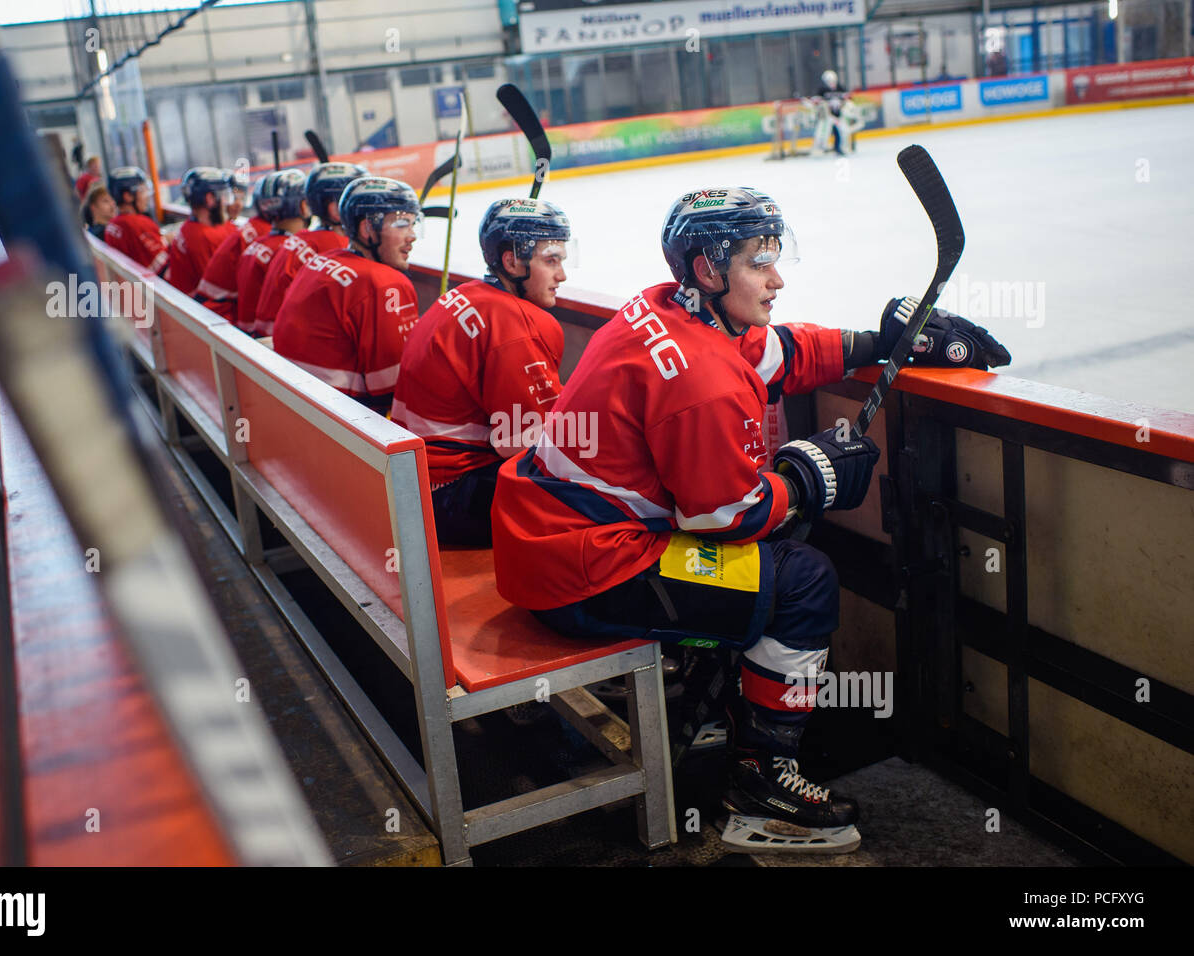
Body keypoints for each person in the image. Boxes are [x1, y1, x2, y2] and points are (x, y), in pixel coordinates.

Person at [490, 187, 1010, 852]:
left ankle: (728, 710)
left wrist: (877, 341)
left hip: (548, 539)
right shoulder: (699, 378)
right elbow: (723, 517)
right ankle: (760, 780)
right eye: (759, 261)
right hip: (587, 572)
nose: (777, 277)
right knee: (803, 580)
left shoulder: (665, 308)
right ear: (708, 269)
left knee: (765, 570)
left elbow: (780, 352)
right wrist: (810, 475)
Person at [392, 198, 572, 546]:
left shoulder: (463, 295)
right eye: (551, 261)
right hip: (447, 498)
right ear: (511, 261)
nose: (561, 275)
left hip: (415, 483)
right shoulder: (516, 325)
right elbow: (526, 444)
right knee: (594, 489)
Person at [273, 176, 420, 414]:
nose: (412, 236)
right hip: (341, 421)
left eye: (413, 224)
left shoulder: (319, 261)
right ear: (367, 228)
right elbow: (394, 391)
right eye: (401, 224)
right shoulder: (385, 284)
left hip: (294, 405)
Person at [252, 161, 366, 334]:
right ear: (335, 209)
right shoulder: (337, 246)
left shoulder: (300, 238)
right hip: (282, 344)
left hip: (266, 337)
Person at [234, 169, 308, 336]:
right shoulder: (292, 250)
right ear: (303, 206)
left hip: (246, 336)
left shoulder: (256, 244)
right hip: (268, 343)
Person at [195, 175, 273, 321]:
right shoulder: (215, 232)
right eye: (233, 197)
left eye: (242, 199)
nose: (238, 204)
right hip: (215, 316)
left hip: (209, 312)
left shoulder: (233, 228)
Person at [166, 166, 237, 296]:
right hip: (202, 310)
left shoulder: (189, 228)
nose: (226, 203)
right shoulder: (204, 238)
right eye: (224, 196)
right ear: (210, 199)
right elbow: (223, 288)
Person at [103, 166, 168, 276]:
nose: (146, 196)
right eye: (142, 191)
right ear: (128, 196)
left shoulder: (112, 224)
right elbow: (166, 269)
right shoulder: (139, 224)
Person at [814, 69, 851, 156]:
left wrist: (843, 103)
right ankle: (822, 147)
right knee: (824, 132)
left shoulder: (840, 88)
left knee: (843, 132)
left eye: (832, 80)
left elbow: (847, 99)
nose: (831, 83)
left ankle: (839, 147)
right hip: (827, 116)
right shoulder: (822, 90)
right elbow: (817, 101)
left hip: (838, 115)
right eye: (829, 81)